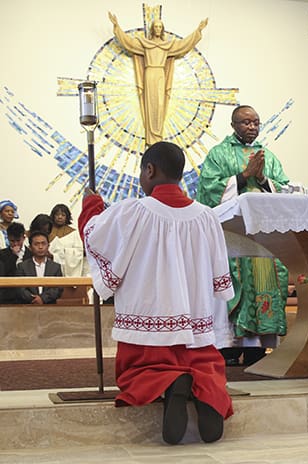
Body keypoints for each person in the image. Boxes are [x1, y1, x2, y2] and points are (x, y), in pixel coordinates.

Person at [79, 141, 235, 445]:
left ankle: (171, 381)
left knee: (140, 369)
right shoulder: (206, 216)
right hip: (194, 321)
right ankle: (209, 394)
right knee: (204, 364)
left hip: (148, 322)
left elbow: (94, 234)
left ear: (149, 170)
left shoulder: (132, 211)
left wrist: (91, 205)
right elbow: (220, 277)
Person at [197, 105, 289, 367]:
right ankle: (228, 347)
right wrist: (242, 177)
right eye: (246, 122)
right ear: (233, 125)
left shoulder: (268, 156)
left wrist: (262, 180)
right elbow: (207, 190)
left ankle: (256, 348)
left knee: (264, 284)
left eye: (256, 122)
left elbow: (284, 187)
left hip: (262, 238)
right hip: (232, 237)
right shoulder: (218, 154)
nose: (252, 127)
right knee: (232, 283)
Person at [108, 12, 208, 146]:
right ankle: (150, 136)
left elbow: (184, 44)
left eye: (160, 27)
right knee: (150, 104)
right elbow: (128, 43)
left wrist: (198, 31)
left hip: (161, 74)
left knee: (160, 105)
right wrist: (117, 26)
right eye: (156, 27)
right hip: (149, 74)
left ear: (162, 29)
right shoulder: (145, 44)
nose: (158, 29)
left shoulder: (168, 46)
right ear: (152, 29)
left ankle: (157, 134)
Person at [16, 231, 63, 304]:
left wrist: (42, 299)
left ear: (48, 246)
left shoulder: (55, 267)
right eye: (36, 244)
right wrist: (33, 299)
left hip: (50, 306)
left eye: (43, 243)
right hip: (28, 306)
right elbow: (20, 288)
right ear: (30, 247)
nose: (40, 247)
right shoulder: (22, 266)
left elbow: (58, 289)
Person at [48, 204, 86, 278]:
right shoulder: (48, 231)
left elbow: (79, 252)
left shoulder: (74, 233)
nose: (60, 217)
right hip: (49, 268)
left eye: (63, 215)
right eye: (57, 215)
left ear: (67, 217)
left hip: (67, 270)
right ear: (53, 216)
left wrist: (63, 254)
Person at [0, 222, 31, 304]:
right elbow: (3, 274)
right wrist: (13, 256)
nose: (15, 244)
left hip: (28, 296)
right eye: (12, 241)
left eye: (18, 240)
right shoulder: (2, 254)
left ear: (24, 238)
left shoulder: (31, 254)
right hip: (7, 297)